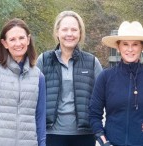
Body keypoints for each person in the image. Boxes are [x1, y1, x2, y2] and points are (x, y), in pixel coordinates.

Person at [37, 10, 102, 146]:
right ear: (57, 32)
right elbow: (33, 97)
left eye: (74, 30)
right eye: (65, 29)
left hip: (84, 134)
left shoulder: (92, 62)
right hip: (51, 134)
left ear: (80, 33)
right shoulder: (43, 60)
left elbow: (105, 97)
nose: (69, 34)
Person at [89, 21, 143, 146]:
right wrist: (103, 140)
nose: (130, 49)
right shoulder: (105, 77)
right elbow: (94, 113)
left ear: (141, 47)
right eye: (125, 44)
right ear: (118, 47)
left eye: (135, 44)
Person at [0, 18, 46, 146]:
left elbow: (40, 117)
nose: (18, 43)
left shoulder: (38, 76)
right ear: (4, 43)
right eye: (12, 39)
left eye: (21, 38)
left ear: (28, 40)